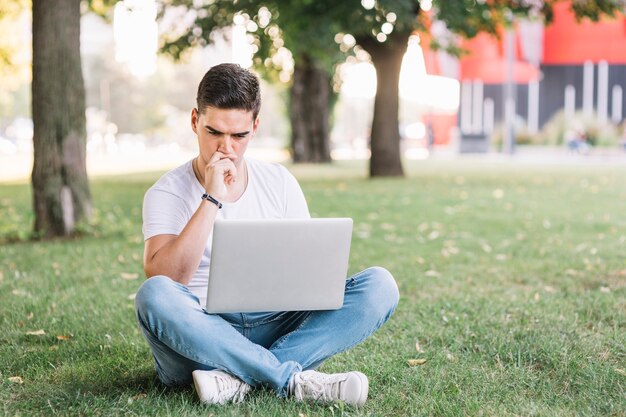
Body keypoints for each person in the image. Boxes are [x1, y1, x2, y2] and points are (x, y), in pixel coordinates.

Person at [134, 63, 399, 407]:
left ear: (255, 127)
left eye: (238, 136)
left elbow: (306, 279)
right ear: (194, 121)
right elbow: (170, 278)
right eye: (214, 132)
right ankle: (289, 379)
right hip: (202, 334)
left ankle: (235, 377)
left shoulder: (279, 182)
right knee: (153, 295)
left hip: (275, 322)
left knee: (380, 285)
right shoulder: (166, 192)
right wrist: (211, 199)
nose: (225, 148)